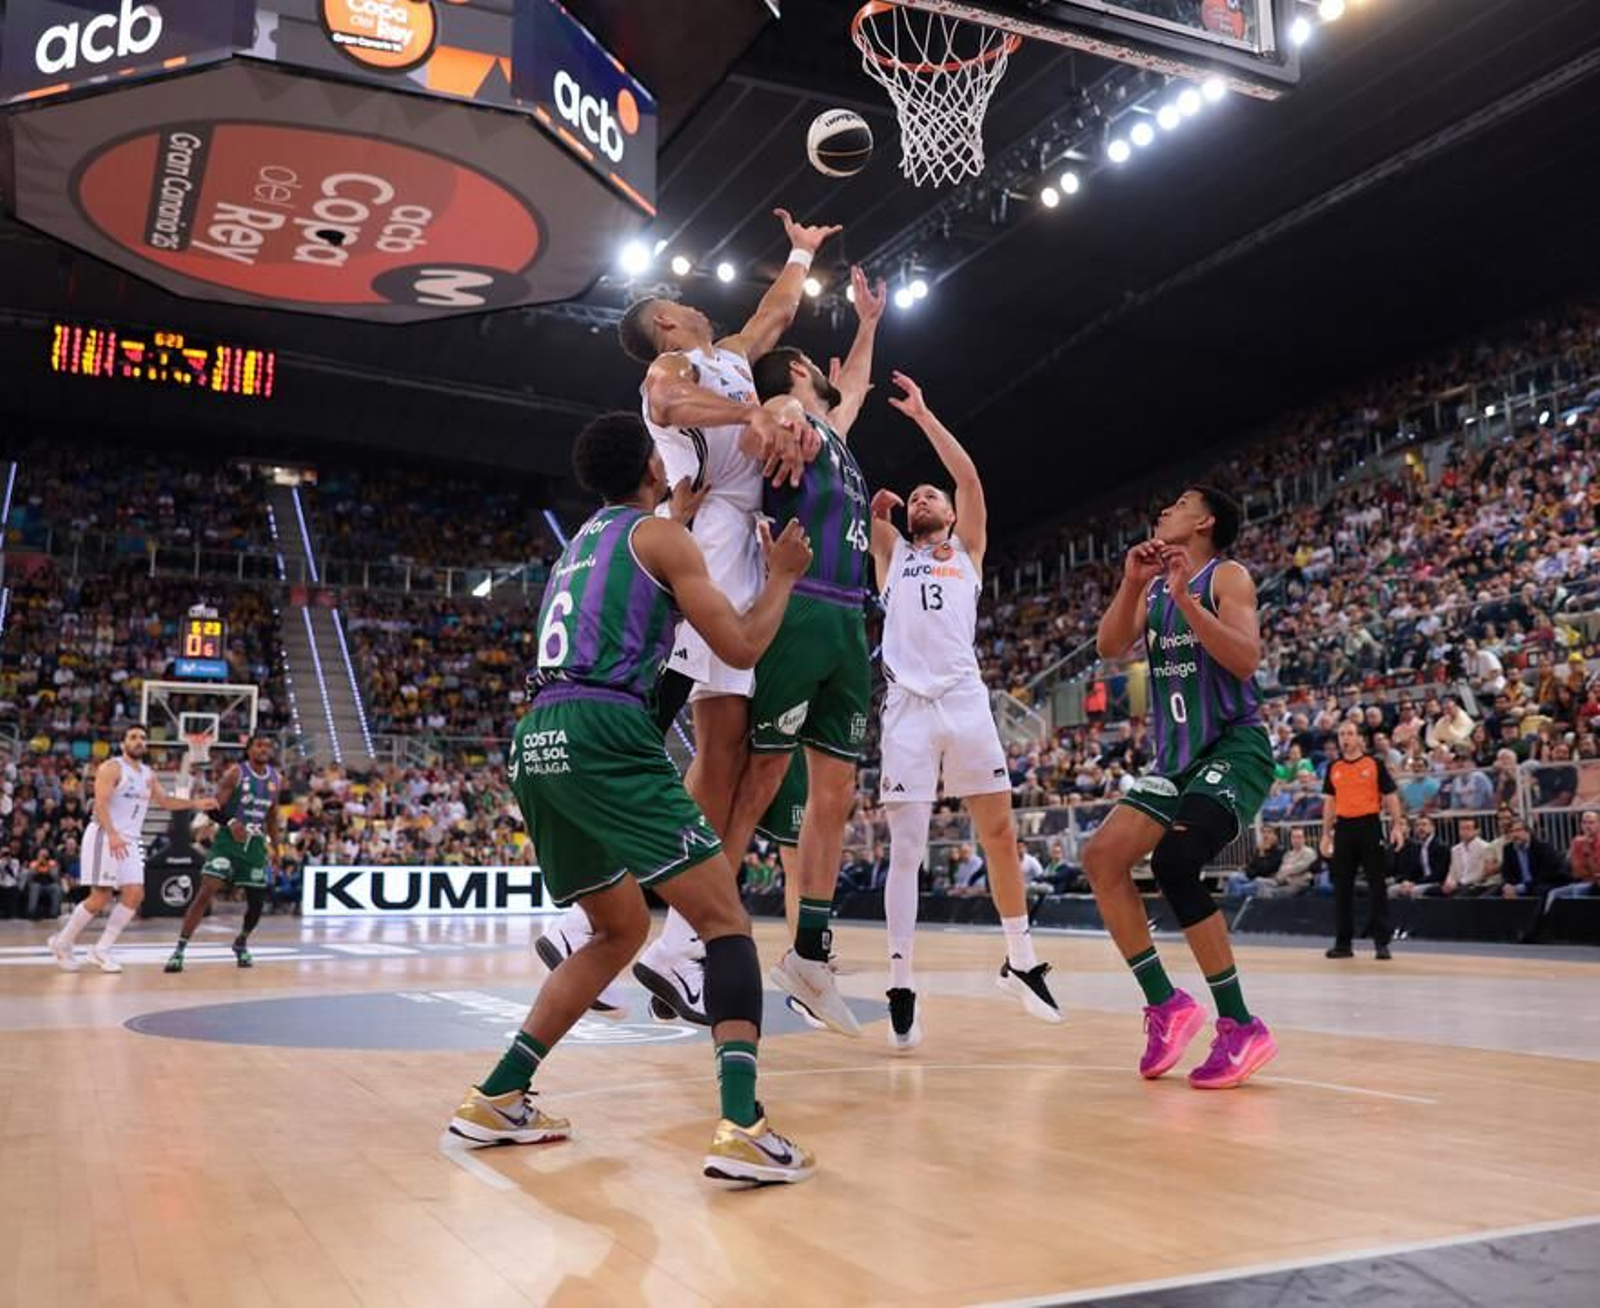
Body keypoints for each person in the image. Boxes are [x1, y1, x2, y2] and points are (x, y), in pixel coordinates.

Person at [447, 412, 816, 1185]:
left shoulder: (583, 543)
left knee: (616, 931)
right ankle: (743, 1125)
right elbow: (742, 646)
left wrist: (676, 519)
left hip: (538, 737)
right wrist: (780, 574)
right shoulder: (664, 540)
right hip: (602, 731)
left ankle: (499, 1095)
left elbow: (635, 579)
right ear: (654, 463)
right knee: (724, 923)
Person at [611, 206, 841, 1022]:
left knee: (743, 749)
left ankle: (663, 934)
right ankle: (670, 923)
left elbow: (777, 311)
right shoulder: (668, 369)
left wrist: (799, 252)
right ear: (665, 322)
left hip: (747, 537)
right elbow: (672, 411)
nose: (696, 305)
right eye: (680, 302)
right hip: (716, 542)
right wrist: (747, 415)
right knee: (723, 748)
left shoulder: (730, 354)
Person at [865, 373, 1062, 1050]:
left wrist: (923, 415)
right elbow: (877, 530)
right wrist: (876, 515)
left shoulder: (968, 553)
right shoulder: (893, 557)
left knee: (1000, 834)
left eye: (932, 495)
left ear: (949, 516)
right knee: (907, 852)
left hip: (966, 699)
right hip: (907, 711)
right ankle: (900, 982)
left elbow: (970, 479)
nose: (925, 495)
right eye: (916, 494)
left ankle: (1022, 957)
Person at [717, 266, 888, 1038]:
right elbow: (779, 407)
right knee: (758, 783)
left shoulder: (836, 432)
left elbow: (850, 384)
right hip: (801, 608)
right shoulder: (788, 409)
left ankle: (810, 957)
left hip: (852, 620)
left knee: (838, 796)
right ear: (793, 373)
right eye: (811, 369)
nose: (826, 373)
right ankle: (696, 936)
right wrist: (777, 410)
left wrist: (867, 322)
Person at [1082, 487, 1278, 1090]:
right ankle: (1166, 1005)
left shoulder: (1229, 576)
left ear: (1205, 521)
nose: (1163, 508)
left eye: (1179, 503)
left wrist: (1187, 601)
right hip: (1176, 760)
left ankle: (1241, 1025)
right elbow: (1110, 648)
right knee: (1102, 858)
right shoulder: (1155, 583)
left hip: (1233, 747)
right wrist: (1131, 582)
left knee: (1175, 861)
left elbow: (1245, 659)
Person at [49, 725, 216, 973]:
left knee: (135, 895)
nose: (138, 741)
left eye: (142, 737)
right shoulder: (112, 767)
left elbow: (165, 801)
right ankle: (62, 943)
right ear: (124, 742)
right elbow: (101, 805)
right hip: (105, 835)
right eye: (133, 737)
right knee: (101, 896)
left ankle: (101, 950)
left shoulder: (148, 774)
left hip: (131, 839)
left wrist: (195, 803)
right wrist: (113, 833)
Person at [165, 735, 284, 972]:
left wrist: (277, 848)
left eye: (268, 746)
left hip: (255, 845)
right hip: (228, 842)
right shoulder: (235, 773)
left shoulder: (276, 779)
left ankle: (241, 942)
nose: (264, 749)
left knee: (257, 903)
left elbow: (271, 816)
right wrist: (231, 822)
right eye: (259, 745)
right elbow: (213, 808)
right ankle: (179, 950)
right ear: (249, 750)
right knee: (206, 891)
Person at [1319, 720, 1404, 960]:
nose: (1344, 738)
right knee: (1342, 887)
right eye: (1341, 734)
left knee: (1377, 885)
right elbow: (1329, 802)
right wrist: (1326, 834)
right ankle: (1343, 944)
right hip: (1344, 828)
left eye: (1349, 734)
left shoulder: (1374, 764)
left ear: (1359, 739)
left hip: (1369, 825)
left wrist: (1397, 826)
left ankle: (1382, 943)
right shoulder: (1333, 767)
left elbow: (1391, 796)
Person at [1498, 818, 1563, 901]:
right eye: (1511, 831)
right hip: (1519, 885)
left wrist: (1521, 887)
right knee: (1492, 892)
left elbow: (1545, 875)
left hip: (1543, 883)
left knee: (1540, 890)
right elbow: (1506, 873)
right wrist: (1507, 885)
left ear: (1528, 832)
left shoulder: (1543, 847)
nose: (1515, 834)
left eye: (1518, 830)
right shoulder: (1508, 849)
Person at [1546, 810, 1600, 909]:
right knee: (1553, 894)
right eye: (1584, 822)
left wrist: (1587, 851)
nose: (1587, 826)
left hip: (1595, 884)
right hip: (1581, 881)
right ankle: (1547, 923)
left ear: (1598, 824)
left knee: (1578, 891)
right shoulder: (1576, 842)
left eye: (1591, 822)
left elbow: (1597, 871)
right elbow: (1577, 872)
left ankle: (1578, 922)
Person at [1391, 815, 1450, 897]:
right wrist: (1406, 881)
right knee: (1392, 890)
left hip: (1437, 882)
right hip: (1420, 882)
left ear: (1432, 828)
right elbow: (1414, 871)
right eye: (1417, 825)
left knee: (1413, 891)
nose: (1420, 828)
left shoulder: (1441, 847)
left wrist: (1414, 883)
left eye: (1424, 825)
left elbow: (1439, 874)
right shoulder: (1417, 847)